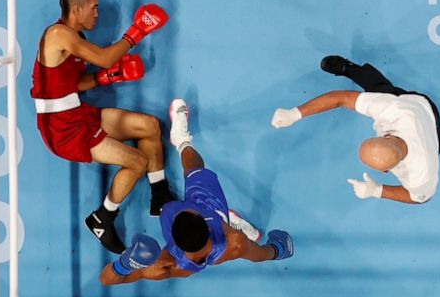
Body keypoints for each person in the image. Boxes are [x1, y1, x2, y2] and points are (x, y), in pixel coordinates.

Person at [31, 0, 173, 254]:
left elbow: (75, 83)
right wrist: (137, 32)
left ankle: (160, 194)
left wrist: (104, 79)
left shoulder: (72, 36)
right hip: (63, 130)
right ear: (76, 9)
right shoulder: (59, 34)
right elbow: (105, 58)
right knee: (137, 162)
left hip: (76, 114)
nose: (97, 13)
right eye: (93, 7)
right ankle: (103, 218)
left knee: (149, 126)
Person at [98, 99, 294, 284]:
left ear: (173, 236)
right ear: (205, 222)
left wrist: (123, 265)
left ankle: (180, 139)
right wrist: (280, 249)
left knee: (170, 201)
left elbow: (105, 280)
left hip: (187, 222)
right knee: (194, 167)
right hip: (213, 212)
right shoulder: (235, 242)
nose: (186, 206)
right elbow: (261, 255)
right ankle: (183, 141)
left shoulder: (167, 264)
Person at [271, 56, 440, 204]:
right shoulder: (394, 115)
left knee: (381, 89)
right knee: (438, 139)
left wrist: (377, 191)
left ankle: (347, 68)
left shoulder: (393, 110)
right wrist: (294, 113)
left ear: (386, 170)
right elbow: (340, 99)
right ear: (388, 137)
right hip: (421, 112)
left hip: (418, 108)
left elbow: (419, 199)